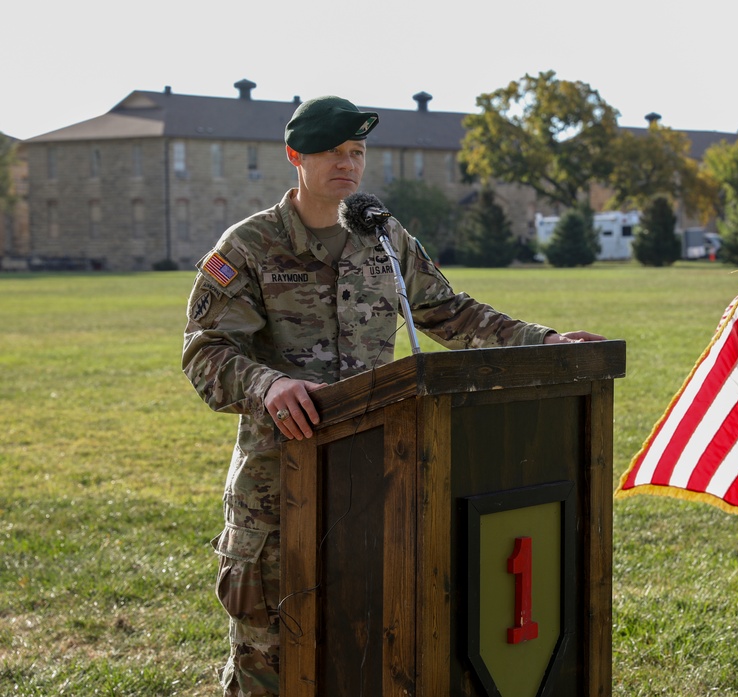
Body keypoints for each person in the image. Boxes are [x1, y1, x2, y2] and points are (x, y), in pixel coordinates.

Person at [181, 95, 604, 697]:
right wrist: (269, 383)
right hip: (277, 486)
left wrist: (548, 342)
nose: (347, 164)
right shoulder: (248, 246)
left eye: (356, 152)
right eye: (332, 151)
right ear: (295, 156)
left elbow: (450, 313)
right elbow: (205, 352)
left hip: (377, 476)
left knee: (369, 644)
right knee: (267, 660)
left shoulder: (382, 237)